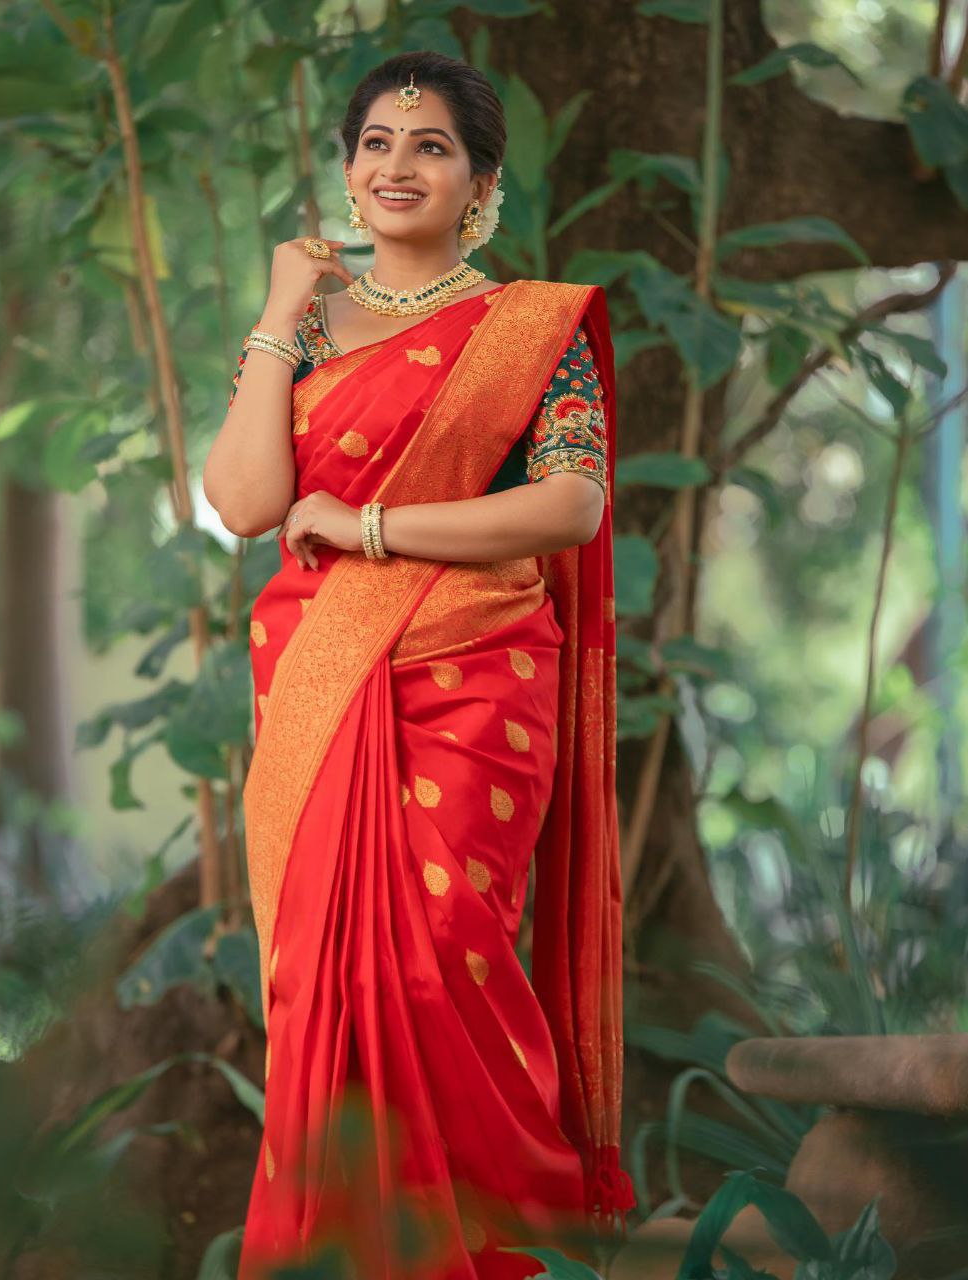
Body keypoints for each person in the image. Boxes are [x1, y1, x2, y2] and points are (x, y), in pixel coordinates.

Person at [203, 48, 635, 1280]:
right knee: (317, 974)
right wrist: (277, 312)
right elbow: (244, 502)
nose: (398, 165)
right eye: (377, 144)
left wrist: (371, 527)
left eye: (431, 146)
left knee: (446, 947)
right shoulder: (301, 328)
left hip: (475, 676)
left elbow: (570, 505)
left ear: (480, 184)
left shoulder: (527, 328)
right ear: (347, 169)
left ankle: (502, 1246)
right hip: (318, 689)